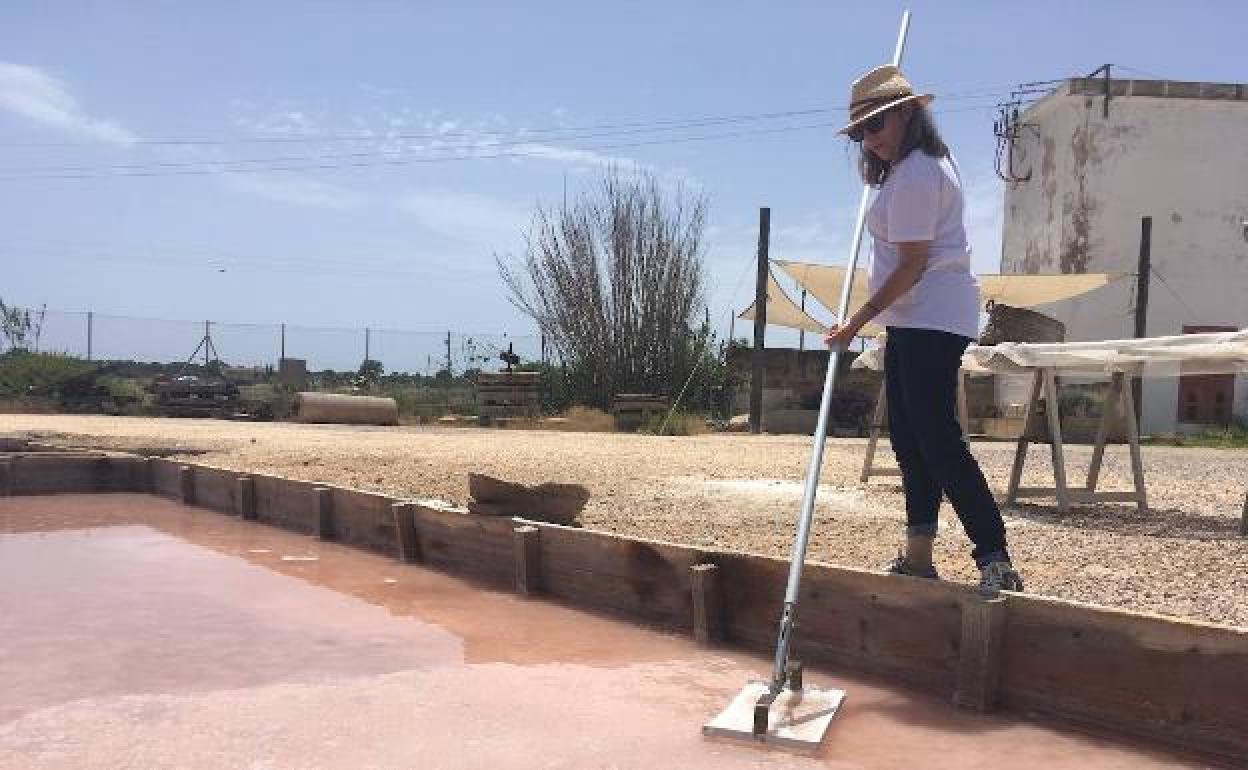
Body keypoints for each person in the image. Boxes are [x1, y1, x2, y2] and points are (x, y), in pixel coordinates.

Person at [823, 64, 1024, 594]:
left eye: (876, 125)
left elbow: (911, 265)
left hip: (929, 315)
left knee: (936, 439)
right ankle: (918, 554)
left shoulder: (915, 174)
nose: (870, 140)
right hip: (917, 318)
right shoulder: (918, 166)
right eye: (861, 132)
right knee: (912, 440)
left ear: (908, 113)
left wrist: (854, 325)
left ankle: (994, 557)